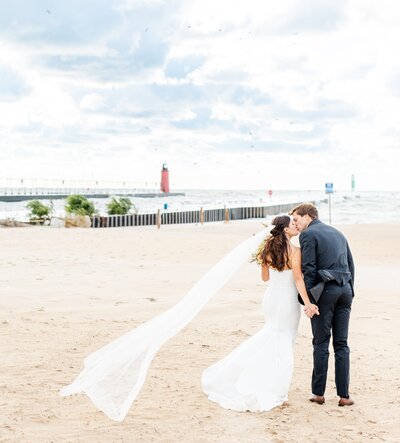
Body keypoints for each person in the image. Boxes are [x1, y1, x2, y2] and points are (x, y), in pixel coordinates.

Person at [202, 215, 319, 412]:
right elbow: (298, 279)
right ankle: (276, 388)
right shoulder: (295, 251)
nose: (295, 226)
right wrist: (308, 303)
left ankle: (254, 376)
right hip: (287, 301)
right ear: (284, 230)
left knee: (272, 335)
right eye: (292, 224)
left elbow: (265, 278)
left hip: (271, 297)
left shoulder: (266, 250)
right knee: (284, 341)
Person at [289, 203, 355, 407]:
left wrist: (309, 301)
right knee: (342, 344)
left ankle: (318, 393)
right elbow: (351, 264)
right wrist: (351, 291)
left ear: (308, 216)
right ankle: (344, 396)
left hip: (325, 293)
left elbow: (309, 269)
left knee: (321, 343)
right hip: (345, 290)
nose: (296, 225)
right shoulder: (338, 232)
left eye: (297, 220)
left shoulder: (308, 235)